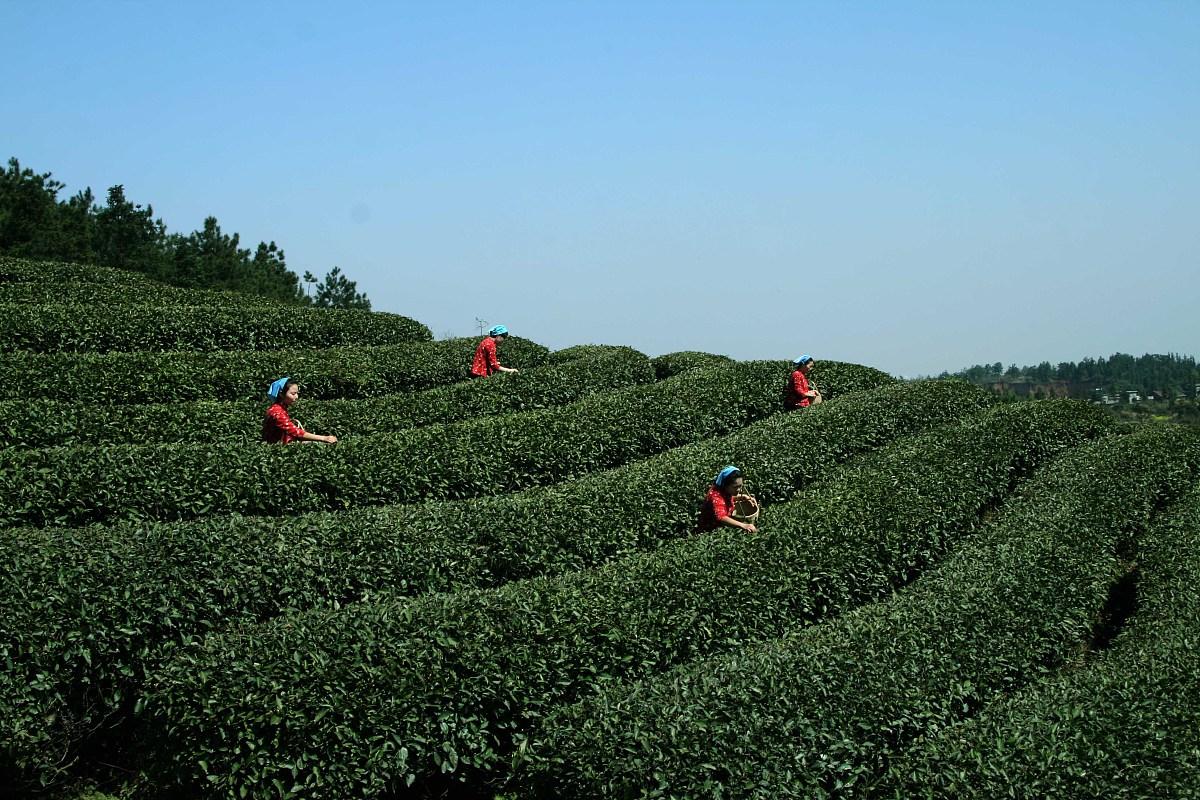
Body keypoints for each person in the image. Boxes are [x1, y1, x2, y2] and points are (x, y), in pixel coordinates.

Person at [262, 377, 338, 444]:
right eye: (293, 393)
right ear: (281, 394)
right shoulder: (277, 412)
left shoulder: (279, 408)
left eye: (297, 393)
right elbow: (295, 432)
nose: (297, 396)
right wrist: (324, 438)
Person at [696, 466, 758, 533]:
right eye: (735, 487)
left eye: (740, 486)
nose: (738, 490)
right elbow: (721, 517)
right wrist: (744, 525)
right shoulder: (716, 497)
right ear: (725, 485)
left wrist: (744, 497)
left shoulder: (724, 491)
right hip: (709, 531)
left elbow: (727, 499)